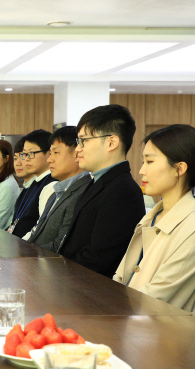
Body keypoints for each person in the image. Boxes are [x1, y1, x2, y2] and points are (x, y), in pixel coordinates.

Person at [114, 124, 195, 311]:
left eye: (149, 162)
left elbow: (155, 298)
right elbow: (120, 277)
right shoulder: (152, 216)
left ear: (179, 168)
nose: (142, 170)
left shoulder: (191, 227)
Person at [59, 104, 145, 278]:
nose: (77, 149)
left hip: (91, 292)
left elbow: (99, 258)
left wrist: (60, 278)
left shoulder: (123, 191)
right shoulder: (98, 181)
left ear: (111, 142)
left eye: (84, 141)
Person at [28, 126, 91, 251]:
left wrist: (27, 253)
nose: (49, 159)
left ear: (77, 153)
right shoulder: (57, 191)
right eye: (50, 153)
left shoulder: (83, 193)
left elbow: (61, 245)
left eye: (56, 153)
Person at [8, 129, 56, 238]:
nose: (26, 159)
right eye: (24, 154)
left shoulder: (52, 184)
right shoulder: (34, 183)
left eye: (31, 153)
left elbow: (42, 230)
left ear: (49, 154)